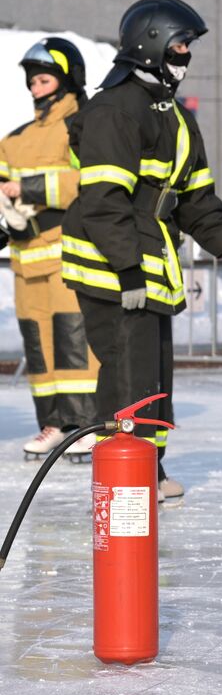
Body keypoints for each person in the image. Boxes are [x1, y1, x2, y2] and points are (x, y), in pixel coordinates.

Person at [62, 0, 222, 503]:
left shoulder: (173, 114)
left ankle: (148, 467)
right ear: (148, 44)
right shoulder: (114, 110)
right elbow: (103, 200)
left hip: (148, 261)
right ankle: (124, 477)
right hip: (112, 266)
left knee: (152, 375)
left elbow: (193, 197)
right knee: (127, 373)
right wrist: (126, 269)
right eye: (179, 44)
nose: (186, 54)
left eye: (188, 46)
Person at [0, 38, 100, 460]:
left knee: (74, 341)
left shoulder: (84, 126)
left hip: (66, 252)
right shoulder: (14, 139)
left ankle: (88, 424)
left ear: (67, 79)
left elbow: (91, 180)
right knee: (39, 347)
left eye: (43, 79)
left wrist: (30, 187)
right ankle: (55, 425)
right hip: (26, 258)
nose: (35, 88)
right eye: (32, 81)